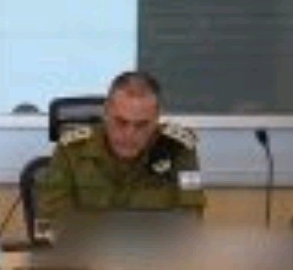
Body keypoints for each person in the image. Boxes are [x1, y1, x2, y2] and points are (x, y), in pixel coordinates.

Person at [36, 70, 205, 231]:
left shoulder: (178, 148)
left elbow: (191, 219)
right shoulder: (71, 149)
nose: (129, 134)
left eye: (141, 125)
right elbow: (47, 223)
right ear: (106, 112)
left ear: (157, 118)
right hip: (87, 249)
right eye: (121, 122)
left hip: (153, 250)